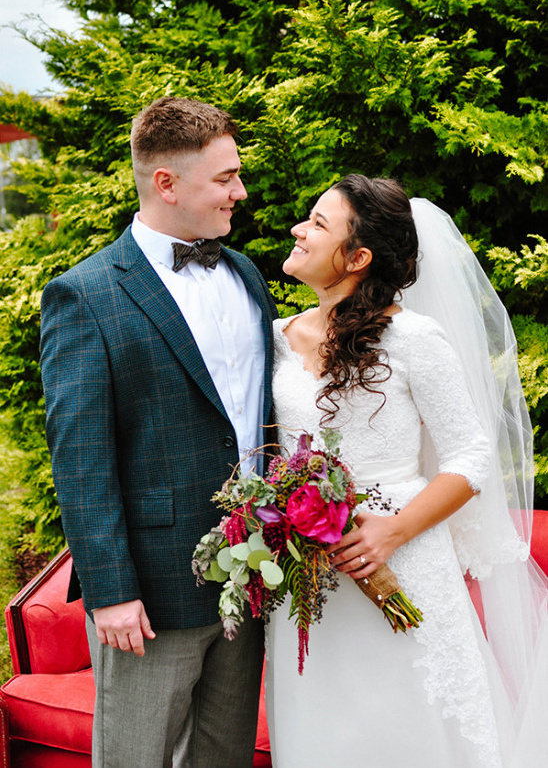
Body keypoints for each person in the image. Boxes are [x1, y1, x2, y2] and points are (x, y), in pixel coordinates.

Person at [265, 174, 548, 767]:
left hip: (406, 559)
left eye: (319, 222)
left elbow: (471, 456)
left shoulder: (415, 338)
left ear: (358, 257)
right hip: (310, 578)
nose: (299, 229)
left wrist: (393, 531)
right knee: (326, 729)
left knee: (415, 730)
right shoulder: (274, 338)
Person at [40, 96, 277, 768]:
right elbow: (81, 458)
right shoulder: (83, 294)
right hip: (149, 592)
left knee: (222, 754)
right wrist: (110, 590)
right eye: (225, 178)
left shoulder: (245, 275)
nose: (242, 191)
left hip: (249, 578)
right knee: (135, 758)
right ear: (166, 183)